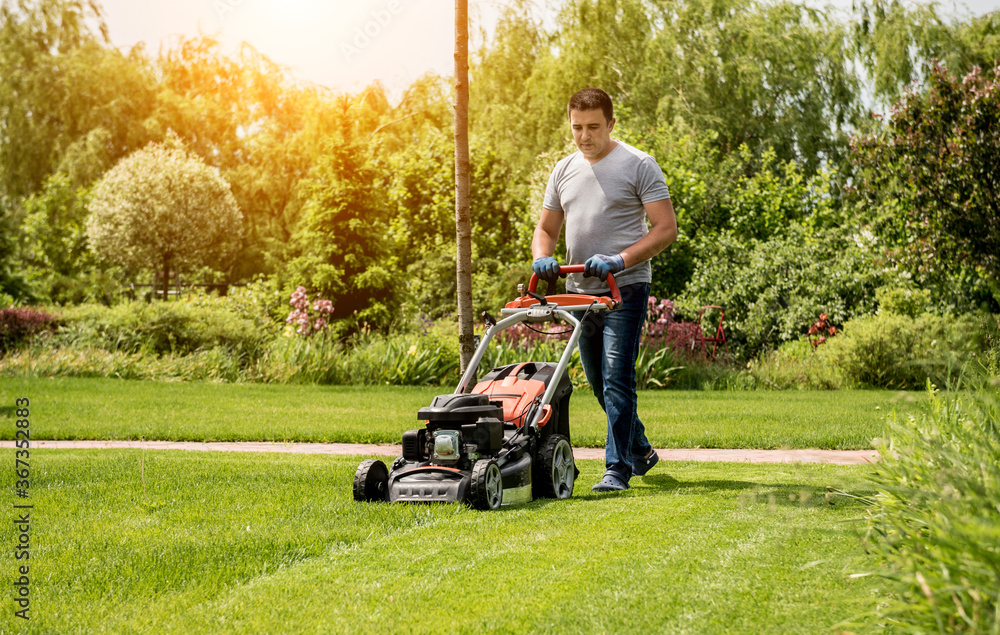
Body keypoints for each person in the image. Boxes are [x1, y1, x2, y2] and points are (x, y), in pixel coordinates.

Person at [531, 88, 677, 492]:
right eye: (577, 127)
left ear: (611, 124)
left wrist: (620, 260)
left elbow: (666, 229)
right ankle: (641, 449)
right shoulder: (563, 170)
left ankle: (617, 469)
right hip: (580, 293)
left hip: (623, 288)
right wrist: (543, 255)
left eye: (593, 127)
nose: (584, 136)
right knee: (596, 380)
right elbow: (545, 229)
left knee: (616, 377)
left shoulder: (638, 164)